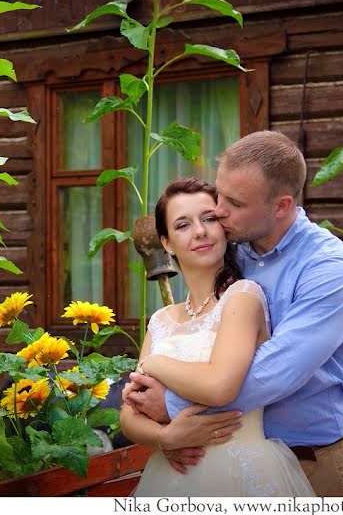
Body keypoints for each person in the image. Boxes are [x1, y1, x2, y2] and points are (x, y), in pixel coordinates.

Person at [124, 131, 343, 497]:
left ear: (281, 206)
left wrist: (171, 407)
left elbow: (271, 373)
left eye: (233, 203)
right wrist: (162, 433)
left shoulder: (330, 270)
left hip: (313, 462)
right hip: (207, 461)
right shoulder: (232, 250)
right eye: (219, 195)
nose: (218, 212)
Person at [121, 177, 315, 497]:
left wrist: (154, 362)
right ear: (166, 243)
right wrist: (166, 438)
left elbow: (220, 386)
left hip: (241, 471)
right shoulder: (161, 321)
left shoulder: (242, 298)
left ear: (223, 227)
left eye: (208, 218)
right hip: (172, 473)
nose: (199, 231)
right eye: (183, 225)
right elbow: (130, 415)